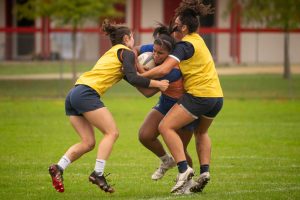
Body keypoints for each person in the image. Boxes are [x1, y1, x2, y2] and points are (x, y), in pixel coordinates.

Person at [48, 19, 169, 194]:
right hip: (86, 93)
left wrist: (159, 86)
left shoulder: (113, 54)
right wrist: (158, 83)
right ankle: (98, 173)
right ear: (127, 38)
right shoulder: (126, 52)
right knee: (112, 132)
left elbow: (142, 88)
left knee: (88, 142)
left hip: (74, 93)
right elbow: (135, 78)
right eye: (133, 37)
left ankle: (59, 167)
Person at [141, 0, 224, 194]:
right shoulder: (198, 39)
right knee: (201, 133)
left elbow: (164, 68)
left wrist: (137, 76)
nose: (174, 24)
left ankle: (183, 170)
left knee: (165, 126)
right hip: (216, 97)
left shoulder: (185, 46)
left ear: (184, 27)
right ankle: (204, 172)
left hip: (199, 96)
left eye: (177, 22)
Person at [136, 30, 194, 181]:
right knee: (145, 135)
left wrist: (133, 70)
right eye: (154, 51)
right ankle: (166, 161)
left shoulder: (173, 71)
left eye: (160, 54)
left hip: (183, 109)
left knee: (180, 150)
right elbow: (134, 50)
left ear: (170, 54)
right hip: (165, 104)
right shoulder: (156, 47)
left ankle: (190, 182)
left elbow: (147, 92)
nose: (155, 55)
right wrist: (131, 54)